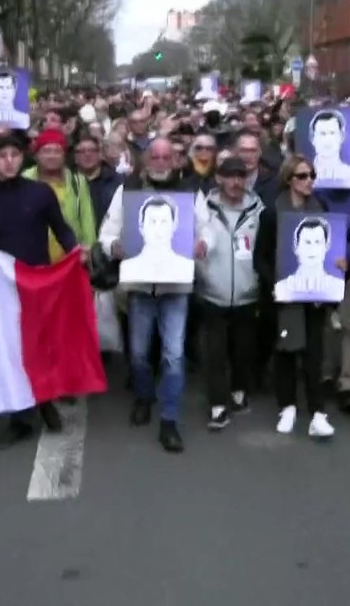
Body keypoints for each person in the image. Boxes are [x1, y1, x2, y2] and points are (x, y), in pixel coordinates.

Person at [0, 133, 82, 443]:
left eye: (14, 155)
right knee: (11, 349)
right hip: (3, 286)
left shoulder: (40, 193)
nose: (9, 161)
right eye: (1, 155)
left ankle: (44, 400)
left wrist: (75, 251)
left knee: (40, 346)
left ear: (23, 159)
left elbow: (62, 230)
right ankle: (22, 417)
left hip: (39, 281)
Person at [98, 138, 208, 453]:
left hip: (176, 287)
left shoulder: (191, 192)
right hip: (140, 286)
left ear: (175, 160)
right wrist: (113, 246)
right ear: (146, 162)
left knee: (173, 354)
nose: (160, 162)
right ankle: (144, 396)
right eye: (155, 157)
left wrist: (204, 244)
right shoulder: (128, 190)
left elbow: (207, 228)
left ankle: (169, 419)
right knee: (139, 353)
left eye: (166, 157)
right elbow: (108, 232)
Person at [255, 155, 339, 440]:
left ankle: (318, 412)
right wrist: (274, 286)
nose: (309, 181)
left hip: (315, 295)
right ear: (289, 179)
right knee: (286, 353)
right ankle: (287, 406)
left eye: (312, 175)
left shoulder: (322, 207)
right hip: (285, 297)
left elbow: (333, 246)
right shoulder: (272, 213)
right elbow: (260, 257)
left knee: (315, 354)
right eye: (302, 176)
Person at [196, 157, 264, 430]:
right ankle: (217, 405)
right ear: (219, 179)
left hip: (248, 293)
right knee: (215, 352)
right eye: (230, 176)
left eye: (241, 176)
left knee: (242, 350)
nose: (236, 182)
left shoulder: (259, 209)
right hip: (213, 292)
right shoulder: (204, 210)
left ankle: (238, 390)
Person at [22, 128, 96, 262]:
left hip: (70, 258)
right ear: (36, 155)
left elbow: (87, 218)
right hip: (33, 258)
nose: (52, 156)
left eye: (57, 151)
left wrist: (89, 248)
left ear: (64, 155)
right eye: (46, 151)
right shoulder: (24, 179)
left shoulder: (77, 181)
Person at [119, 195, 196, 283]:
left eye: (164, 222)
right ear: (141, 227)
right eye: (152, 222)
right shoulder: (127, 269)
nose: (158, 229)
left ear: (174, 226)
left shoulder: (187, 268)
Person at [272, 216, 346, 302]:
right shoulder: (282, 288)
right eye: (307, 242)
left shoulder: (337, 287)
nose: (312, 249)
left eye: (317, 242)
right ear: (296, 247)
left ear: (327, 246)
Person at [307, 109, 350, 186]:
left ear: (342, 137)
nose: (327, 140)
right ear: (312, 138)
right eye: (322, 134)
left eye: (332, 133)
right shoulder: (303, 174)